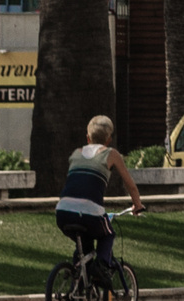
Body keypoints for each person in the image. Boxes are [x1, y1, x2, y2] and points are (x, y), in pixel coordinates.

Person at [54, 116, 142, 286]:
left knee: (84, 247)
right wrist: (137, 205)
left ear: (87, 138)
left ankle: (76, 284)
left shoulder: (76, 153)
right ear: (109, 140)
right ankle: (101, 267)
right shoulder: (112, 154)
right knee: (108, 234)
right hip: (89, 212)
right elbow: (130, 185)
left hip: (63, 212)